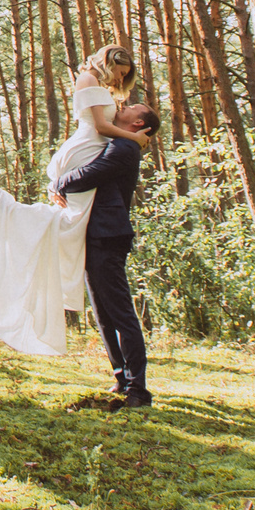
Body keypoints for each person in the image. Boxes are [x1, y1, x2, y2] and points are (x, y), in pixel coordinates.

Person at [0, 46, 150, 358]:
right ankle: (5, 214)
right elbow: (101, 128)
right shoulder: (90, 83)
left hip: (104, 220)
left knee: (67, 227)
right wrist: (136, 138)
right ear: (109, 61)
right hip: (88, 161)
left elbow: (103, 150)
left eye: (123, 78)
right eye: (119, 74)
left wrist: (131, 141)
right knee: (68, 226)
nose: (121, 85)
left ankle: (132, 384)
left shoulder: (120, 144)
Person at [53, 100, 160, 404]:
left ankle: (138, 388)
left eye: (133, 107)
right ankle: (121, 378)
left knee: (120, 312)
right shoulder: (119, 143)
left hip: (108, 235)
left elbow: (90, 173)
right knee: (103, 313)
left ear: (139, 124)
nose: (124, 105)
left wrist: (59, 183)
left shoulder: (125, 148)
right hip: (96, 234)